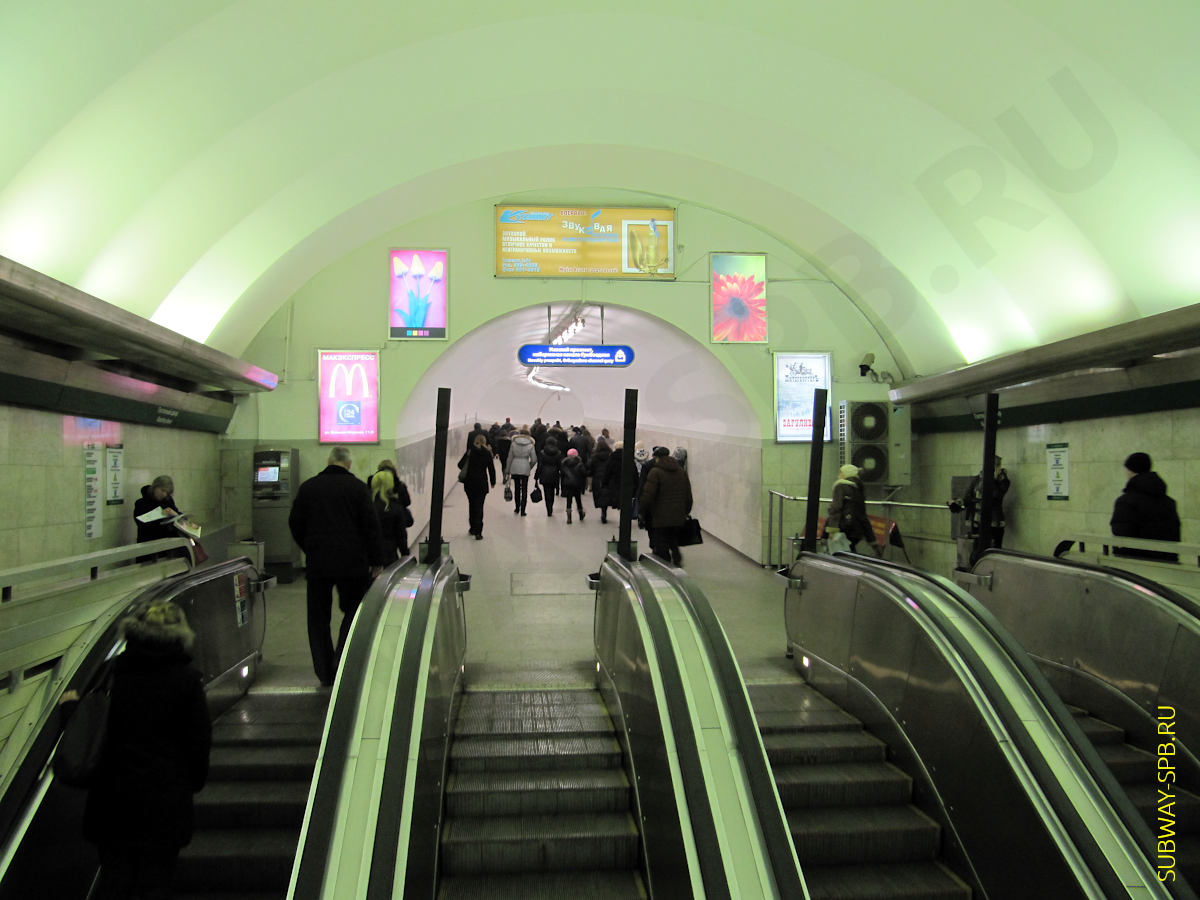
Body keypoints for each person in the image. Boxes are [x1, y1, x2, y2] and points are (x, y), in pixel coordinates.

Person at [68, 600, 211, 900]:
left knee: (115, 882)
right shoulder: (187, 680)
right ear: (179, 633)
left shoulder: (111, 674)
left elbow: (92, 726)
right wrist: (191, 782)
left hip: (113, 804)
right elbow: (198, 742)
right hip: (164, 806)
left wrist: (69, 711)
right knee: (156, 883)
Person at [289, 446, 386, 686]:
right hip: (353, 563)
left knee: (318, 617)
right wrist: (376, 561)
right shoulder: (358, 488)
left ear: (329, 460)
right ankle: (342, 660)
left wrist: (309, 547)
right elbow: (371, 527)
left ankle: (324, 671)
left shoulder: (308, 487)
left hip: (318, 563)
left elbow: (295, 523)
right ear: (349, 464)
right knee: (354, 611)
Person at [1111, 452, 1181, 560]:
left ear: (1130, 470)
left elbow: (1121, 532)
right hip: (1167, 560)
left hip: (1134, 562)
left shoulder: (1125, 502)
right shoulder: (1168, 502)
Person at [639, 445, 693, 566]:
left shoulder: (655, 472)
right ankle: (677, 559)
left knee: (661, 541)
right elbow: (688, 494)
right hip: (678, 514)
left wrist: (641, 511)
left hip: (660, 516)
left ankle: (666, 565)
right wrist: (686, 511)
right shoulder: (681, 471)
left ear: (657, 458)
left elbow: (648, 495)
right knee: (673, 539)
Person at [825, 464, 880, 556]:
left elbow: (836, 508)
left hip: (843, 528)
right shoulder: (858, 487)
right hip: (856, 531)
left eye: (841, 473)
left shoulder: (840, 486)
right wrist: (872, 540)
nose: (838, 475)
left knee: (840, 555)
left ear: (846, 474)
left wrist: (832, 530)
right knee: (849, 552)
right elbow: (862, 515)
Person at [957, 456, 1011, 549]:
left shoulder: (1003, 481)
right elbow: (968, 496)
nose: (997, 467)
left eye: (998, 465)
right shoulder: (977, 479)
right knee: (978, 548)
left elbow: (996, 496)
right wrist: (959, 502)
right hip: (978, 521)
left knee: (994, 549)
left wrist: (993, 480)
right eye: (995, 465)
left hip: (994, 522)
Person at [458, 433, 496, 539]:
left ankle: (472, 528)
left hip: (469, 482)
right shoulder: (487, 453)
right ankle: (478, 532)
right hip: (481, 483)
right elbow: (491, 469)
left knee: (472, 505)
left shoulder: (470, 451)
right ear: (485, 442)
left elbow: (460, 465)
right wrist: (493, 482)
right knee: (479, 506)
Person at [371, 469, 408, 559]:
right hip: (389, 554)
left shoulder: (367, 505)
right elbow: (401, 535)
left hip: (369, 557)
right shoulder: (395, 508)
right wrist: (405, 553)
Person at [134, 475, 181, 543]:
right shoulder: (141, 503)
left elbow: (177, 516)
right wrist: (160, 515)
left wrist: (175, 515)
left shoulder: (168, 501)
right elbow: (142, 525)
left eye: (167, 492)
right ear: (155, 487)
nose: (164, 494)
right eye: (162, 490)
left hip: (167, 544)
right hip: (148, 543)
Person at [507, 426, 536, 516]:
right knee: (524, 489)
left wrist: (507, 470)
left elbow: (510, 458)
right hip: (525, 466)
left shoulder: (513, 443)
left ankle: (517, 508)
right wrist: (529, 466)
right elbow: (534, 459)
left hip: (515, 466)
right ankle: (523, 510)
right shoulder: (531, 444)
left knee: (516, 488)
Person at [536, 436, 563, 516]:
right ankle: (551, 505)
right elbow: (560, 465)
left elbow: (540, 465)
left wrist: (536, 476)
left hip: (544, 473)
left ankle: (549, 508)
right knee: (552, 491)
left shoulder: (542, 452)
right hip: (554, 474)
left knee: (546, 491)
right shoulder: (558, 452)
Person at [560, 447, 587, 524]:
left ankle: (569, 517)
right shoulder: (579, 463)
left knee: (569, 500)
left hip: (568, 484)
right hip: (577, 484)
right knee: (578, 499)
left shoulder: (564, 464)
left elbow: (562, 475)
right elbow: (584, 474)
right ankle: (581, 514)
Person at [589, 441, 614, 523]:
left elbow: (591, 468)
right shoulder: (610, 456)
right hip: (608, 478)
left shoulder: (595, 457)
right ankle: (604, 511)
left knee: (599, 495)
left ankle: (603, 511)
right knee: (606, 494)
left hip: (597, 478)